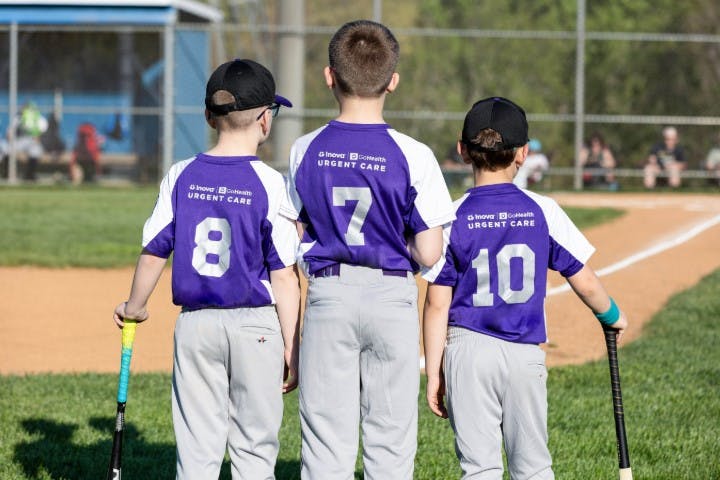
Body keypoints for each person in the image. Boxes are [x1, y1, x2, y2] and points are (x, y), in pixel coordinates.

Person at [282, 20, 455, 479]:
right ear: (392, 82)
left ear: (329, 76)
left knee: (325, 435)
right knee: (390, 434)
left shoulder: (305, 148)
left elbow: (293, 231)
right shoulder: (412, 153)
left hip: (329, 294)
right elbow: (431, 251)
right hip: (390, 294)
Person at [112, 59, 300, 479]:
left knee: (197, 448)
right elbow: (284, 275)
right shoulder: (270, 182)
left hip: (196, 327)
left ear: (208, 116)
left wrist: (135, 305)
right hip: (256, 326)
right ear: (266, 120)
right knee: (254, 446)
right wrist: (293, 343)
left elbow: (153, 251)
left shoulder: (180, 174)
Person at [422, 97, 628, 480]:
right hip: (523, 353)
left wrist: (435, 371)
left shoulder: (451, 216)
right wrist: (612, 315)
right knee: (532, 466)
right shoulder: (543, 210)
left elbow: (436, 304)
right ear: (523, 153)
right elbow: (582, 278)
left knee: (479, 467)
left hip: (467, 351)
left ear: (462, 151)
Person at [0, 102, 48, 181]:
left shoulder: (37, 118)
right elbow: (9, 133)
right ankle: (7, 174)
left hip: (30, 141)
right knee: (4, 148)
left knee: (35, 151)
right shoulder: (18, 118)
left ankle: (30, 175)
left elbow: (41, 134)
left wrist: (38, 136)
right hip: (18, 141)